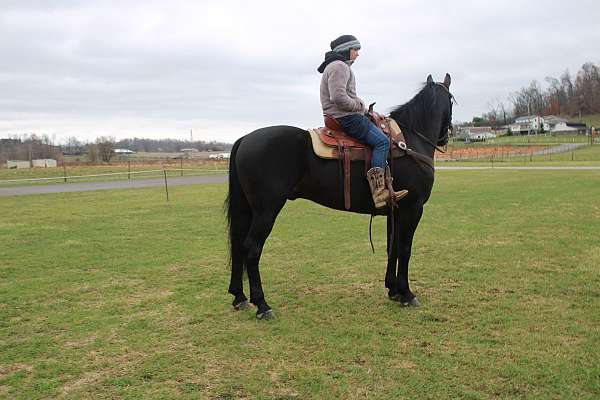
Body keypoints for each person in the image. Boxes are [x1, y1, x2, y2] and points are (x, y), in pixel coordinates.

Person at [318, 34, 406, 209]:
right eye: (355, 50)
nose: (357, 54)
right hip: (346, 118)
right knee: (382, 142)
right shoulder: (339, 66)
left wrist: (363, 110)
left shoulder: (336, 66)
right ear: (346, 50)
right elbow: (339, 98)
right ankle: (379, 192)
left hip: (342, 116)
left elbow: (344, 96)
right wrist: (359, 106)